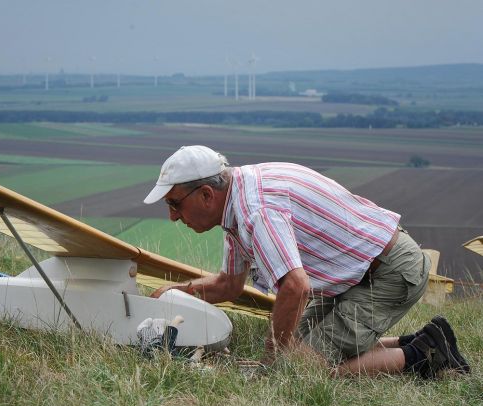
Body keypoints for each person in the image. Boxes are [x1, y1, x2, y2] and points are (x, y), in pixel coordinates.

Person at [144, 145, 470, 378]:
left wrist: (271, 360)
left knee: (298, 369)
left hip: (390, 272)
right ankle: (420, 339)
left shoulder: (256, 211)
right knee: (295, 345)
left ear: (205, 194)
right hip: (353, 273)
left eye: (174, 204)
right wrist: (174, 293)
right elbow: (228, 285)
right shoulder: (236, 202)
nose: (173, 216)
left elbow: (295, 286)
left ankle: (426, 356)